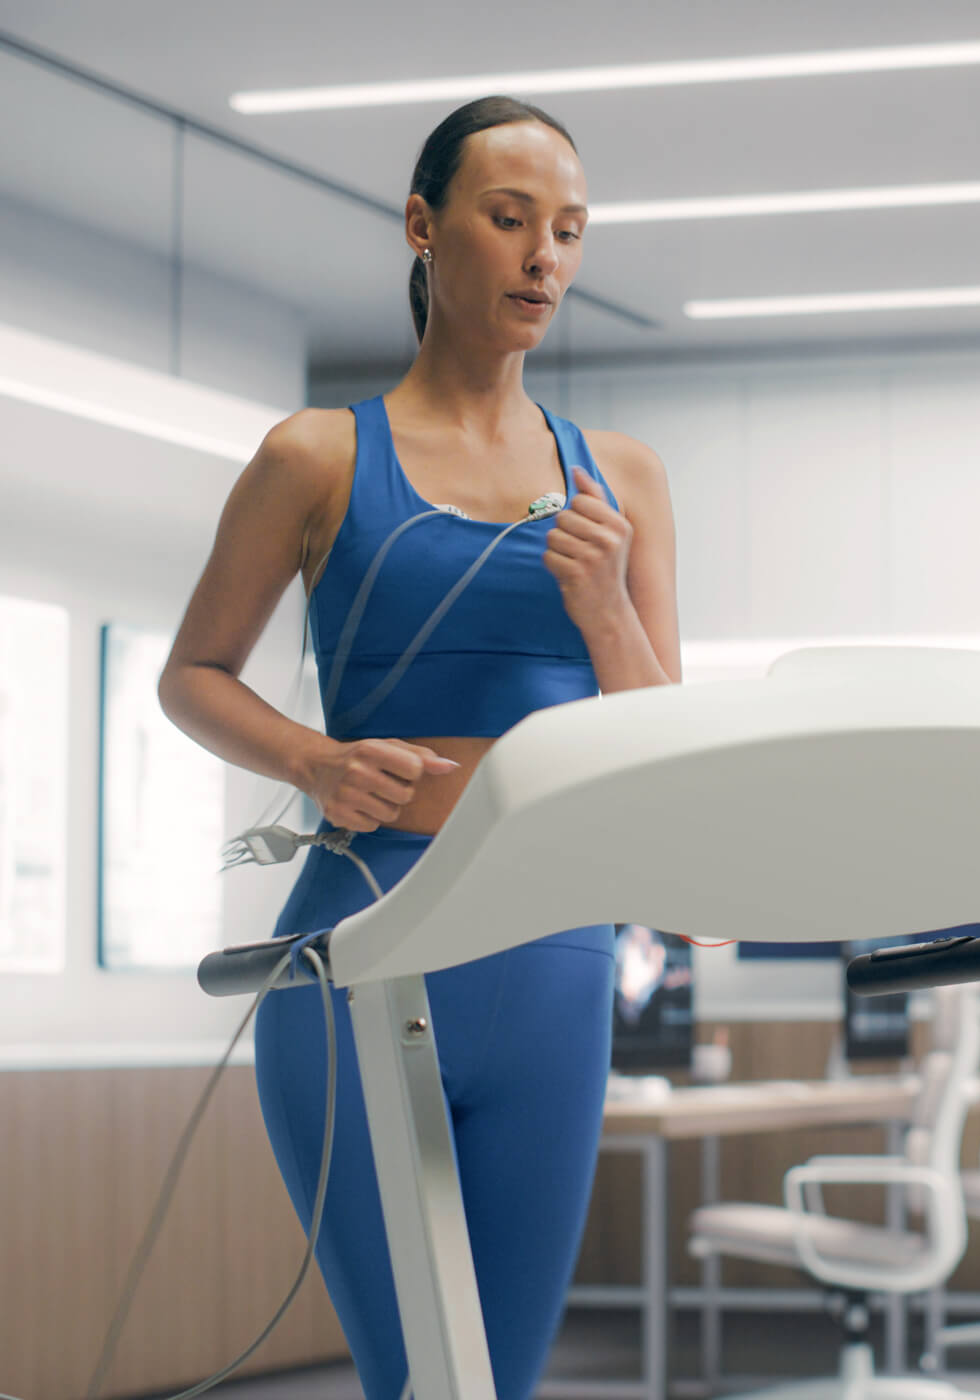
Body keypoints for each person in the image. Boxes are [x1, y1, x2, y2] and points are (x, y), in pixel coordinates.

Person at [159, 94, 680, 1400]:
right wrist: (315, 763)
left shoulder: (621, 475)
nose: (543, 257)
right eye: (509, 221)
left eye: (566, 231)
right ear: (422, 226)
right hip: (358, 943)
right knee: (417, 1377)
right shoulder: (316, 455)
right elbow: (193, 676)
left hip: (557, 955)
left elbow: (663, 741)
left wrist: (607, 607)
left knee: (498, 1378)